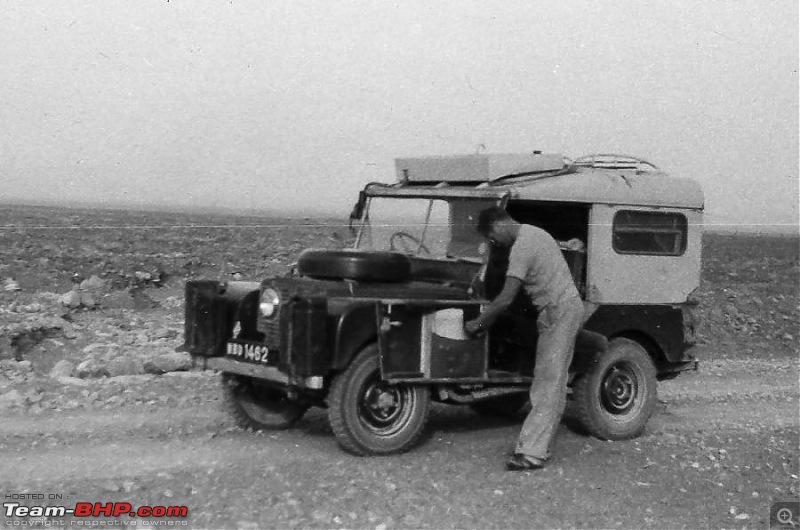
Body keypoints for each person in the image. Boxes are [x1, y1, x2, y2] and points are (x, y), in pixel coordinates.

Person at [464, 206, 584, 471]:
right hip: (557, 308)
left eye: (493, 238)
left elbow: (506, 298)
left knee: (548, 381)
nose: (495, 243)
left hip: (559, 310)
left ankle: (532, 453)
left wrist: (479, 322)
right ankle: (537, 445)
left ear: (497, 226)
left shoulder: (521, 247)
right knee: (551, 378)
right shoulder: (535, 233)